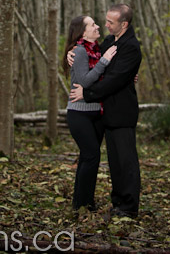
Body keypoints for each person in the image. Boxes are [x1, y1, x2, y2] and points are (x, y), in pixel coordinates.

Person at [69, 3, 142, 218]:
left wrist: (87, 94)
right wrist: (72, 53)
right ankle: (117, 201)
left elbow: (113, 80)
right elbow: (92, 60)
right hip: (107, 113)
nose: (106, 25)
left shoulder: (131, 47)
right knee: (115, 162)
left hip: (122, 113)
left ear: (124, 24)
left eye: (111, 22)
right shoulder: (110, 41)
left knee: (126, 161)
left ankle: (128, 207)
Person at [63, 14, 117, 212]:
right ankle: (83, 203)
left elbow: (107, 76)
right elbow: (85, 82)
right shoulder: (79, 51)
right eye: (92, 24)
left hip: (97, 112)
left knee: (88, 158)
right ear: (82, 32)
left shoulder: (96, 49)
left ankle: (82, 202)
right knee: (91, 155)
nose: (97, 26)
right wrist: (104, 61)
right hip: (79, 113)